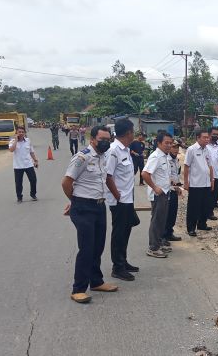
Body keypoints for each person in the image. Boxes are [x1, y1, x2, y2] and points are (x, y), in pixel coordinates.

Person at [61, 125, 118, 303]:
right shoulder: (82, 157)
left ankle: (96, 281)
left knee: (98, 246)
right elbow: (66, 182)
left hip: (100, 206)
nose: (105, 142)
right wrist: (75, 201)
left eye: (108, 139)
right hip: (84, 207)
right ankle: (78, 288)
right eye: (102, 139)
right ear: (92, 139)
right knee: (86, 248)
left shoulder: (102, 157)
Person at [105, 119, 139, 282]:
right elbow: (108, 176)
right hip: (119, 201)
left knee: (126, 231)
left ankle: (123, 261)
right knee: (119, 233)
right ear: (128, 133)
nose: (134, 133)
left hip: (127, 198)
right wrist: (117, 196)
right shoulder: (113, 151)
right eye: (133, 131)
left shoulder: (125, 149)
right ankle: (117, 267)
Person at [142, 132, 174, 258]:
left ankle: (159, 243)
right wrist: (155, 188)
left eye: (170, 143)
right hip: (158, 195)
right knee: (156, 221)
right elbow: (145, 174)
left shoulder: (165, 156)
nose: (169, 145)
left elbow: (163, 176)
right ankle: (153, 248)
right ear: (159, 143)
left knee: (162, 220)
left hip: (165, 193)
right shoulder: (155, 156)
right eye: (166, 143)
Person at [184, 129, 214, 237]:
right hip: (196, 183)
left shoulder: (207, 150)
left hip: (206, 183)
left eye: (208, 137)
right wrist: (186, 182)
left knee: (205, 205)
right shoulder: (191, 149)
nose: (207, 139)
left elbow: (210, 166)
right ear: (198, 138)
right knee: (194, 207)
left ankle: (202, 224)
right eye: (204, 137)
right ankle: (191, 228)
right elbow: (186, 166)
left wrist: (212, 180)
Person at [8, 127, 39, 203]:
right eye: (19, 132)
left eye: (22, 132)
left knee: (33, 180)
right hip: (18, 166)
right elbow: (11, 150)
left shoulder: (28, 141)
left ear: (24, 133)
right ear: (16, 133)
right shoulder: (12, 141)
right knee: (18, 183)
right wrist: (16, 140)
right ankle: (19, 197)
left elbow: (31, 152)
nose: (21, 133)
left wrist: (35, 160)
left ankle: (33, 194)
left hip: (28, 164)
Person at [163, 140, 183, 244]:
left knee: (173, 213)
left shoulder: (177, 160)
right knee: (166, 214)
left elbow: (176, 175)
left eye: (177, 147)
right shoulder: (166, 159)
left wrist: (178, 187)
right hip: (167, 190)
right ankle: (164, 236)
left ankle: (170, 233)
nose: (176, 149)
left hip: (174, 189)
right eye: (174, 147)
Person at [206, 127, 218, 220]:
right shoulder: (205, 146)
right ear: (209, 134)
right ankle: (206, 213)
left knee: (214, 195)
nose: (215, 136)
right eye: (214, 134)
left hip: (216, 175)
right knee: (207, 195)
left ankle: (210, 212)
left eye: (217, 134)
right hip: (205, 176)